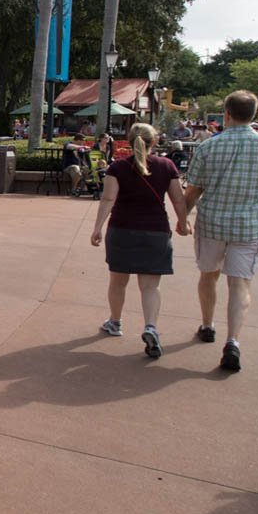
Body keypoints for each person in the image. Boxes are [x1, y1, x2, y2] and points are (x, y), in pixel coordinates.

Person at [182, 90, 258, 372]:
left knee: (209, 275)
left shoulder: (208, 147)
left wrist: (182, 218)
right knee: (240, 284)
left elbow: (193, 191)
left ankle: (207, 325)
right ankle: (233, 341)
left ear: (226, 114)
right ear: (252, 114)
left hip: (213, 223)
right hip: (249, 225)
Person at [90, 123, 188, 358]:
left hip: (122, 229)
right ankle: (150, 326)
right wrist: (184, 223)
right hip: (156, 230)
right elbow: (178, 199)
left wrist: (97, 228)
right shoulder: (167, 166)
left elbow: (108, 199)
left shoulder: (118, 167)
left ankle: (115, 322)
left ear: (130, 140)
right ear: (154, 142)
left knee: (118, 281)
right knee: (150, 286)